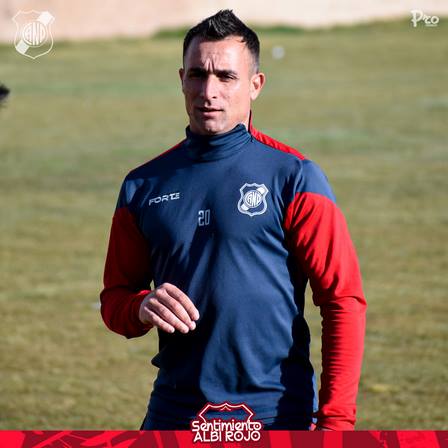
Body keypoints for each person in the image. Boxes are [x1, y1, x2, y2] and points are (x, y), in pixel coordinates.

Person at [100, 9, 366, 431]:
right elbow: (114, 299)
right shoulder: (142, 186)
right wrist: (141, 306)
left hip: (276, 416)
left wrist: (336, 426)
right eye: (197, 75)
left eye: (226, 76)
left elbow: (342, 300)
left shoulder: (295, 177)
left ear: (255, 85)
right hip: (174, 415)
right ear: (181, 79)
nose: (209, 91)